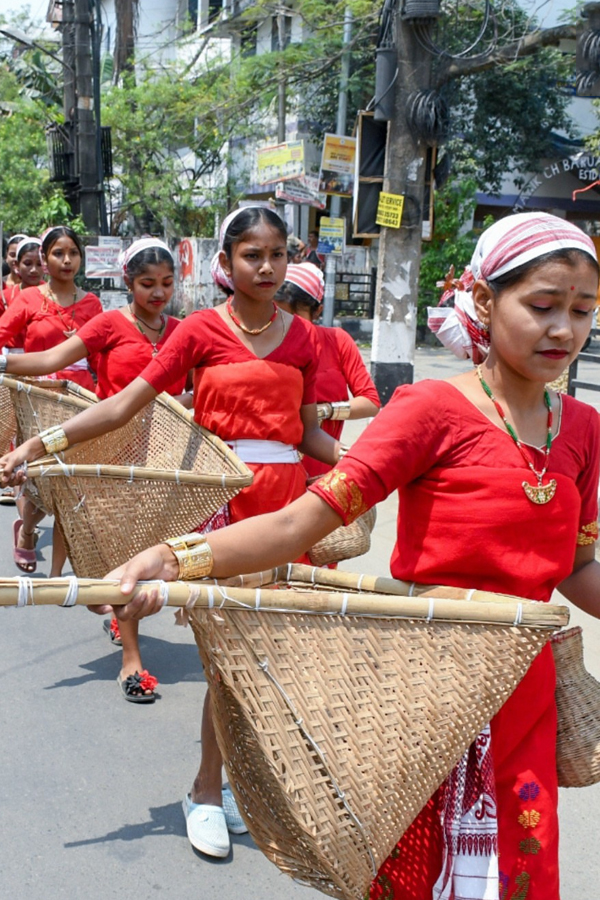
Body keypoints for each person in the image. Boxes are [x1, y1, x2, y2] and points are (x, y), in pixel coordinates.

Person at [49, 212, 600, 900]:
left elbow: (577, 566)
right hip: (428, 684)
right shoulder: (429, 409)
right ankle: (206, 789)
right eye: (543, 306)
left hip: (523, 691)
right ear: (484, 302)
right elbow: (299, 522)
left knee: (519, 867)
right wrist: (174, 555)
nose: (564, 330)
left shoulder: (582, 428)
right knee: (412, 870)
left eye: (583, 311)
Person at [0, 205, 341, 859]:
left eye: (277, 254)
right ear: (225, 263)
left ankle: (236, 785)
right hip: (223, 511)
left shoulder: (305, 340)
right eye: (251, 254)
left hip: (287, 512)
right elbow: (123, 405)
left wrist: (365, 471)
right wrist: (40, 444)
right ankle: (206, 791)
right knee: (227, 663)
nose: (266, 267)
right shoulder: (200, 333)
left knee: (267, 663)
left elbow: (307, 433)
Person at [1, 238, 189, 700]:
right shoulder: (108, 323)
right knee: (122, 555)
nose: (158, 293)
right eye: (147, 284)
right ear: (128, 282)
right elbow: (50, 360)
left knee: (150, 557)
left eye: (166, 283)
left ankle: (122, 618)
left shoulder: (185, 331)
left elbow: (202, 391)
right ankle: (131, 660)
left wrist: (173, 406)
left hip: (169, 459)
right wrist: (2, 360)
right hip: (108, 456)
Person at [0, 226, 102, 577]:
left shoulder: (92, 304)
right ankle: (27, 530)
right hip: (37, 398)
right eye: (59, 253)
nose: (67, 260)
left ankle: (65, 568)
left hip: (80, 399)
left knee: (71, 480)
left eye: (73, 252)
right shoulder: (28, 299)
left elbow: (101, 356)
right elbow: (2, 334)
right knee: (42, 478)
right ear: (45, 259)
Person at [275, 261, 380, 477]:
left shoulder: (337, 341)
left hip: (322, 471)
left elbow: (370, 402)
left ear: (317, 312)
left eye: (297, 319)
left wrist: (325, 411)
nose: (288, 328)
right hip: (276, 470)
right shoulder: (265, 347)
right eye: (280, 318)